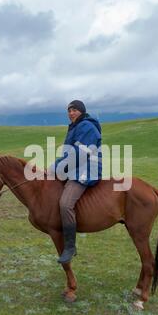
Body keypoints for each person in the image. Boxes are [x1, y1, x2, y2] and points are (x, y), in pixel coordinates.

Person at [48, 100, 102, 264]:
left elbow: (80, 154)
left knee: (65, 203)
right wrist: (55, 166)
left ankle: (70, 247)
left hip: (86, 170)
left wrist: (57, 166)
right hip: (75, 168)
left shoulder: (87, 127)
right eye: (69, 110)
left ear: (82, 112)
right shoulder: (75, 127)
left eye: (75, 110)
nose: (71, 113)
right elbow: (68, 154)